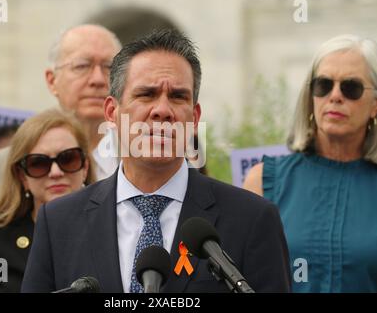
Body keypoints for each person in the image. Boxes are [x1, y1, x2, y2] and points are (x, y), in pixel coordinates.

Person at [21, 29, 291, 293]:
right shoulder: (59, 222)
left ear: (194, 118)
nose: (162, 111)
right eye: (146, 94)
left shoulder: (252, 219)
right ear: (112, 112)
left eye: (177, 96)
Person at [243, 34, 377, 292]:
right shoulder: (262, 182)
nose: (335, 96)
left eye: (351, 87)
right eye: (323, 85)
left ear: (374, 106)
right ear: (310, 96)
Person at [0, 24, 121, 225]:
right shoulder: (0, 166)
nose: (98, 79)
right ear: (52, 81)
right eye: (82, 66)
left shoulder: (141, 161)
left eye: (109, 67)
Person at [0, 108, 93, 292]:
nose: (55, 173)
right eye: (38, 163)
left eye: (68, 159)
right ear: (22, 176)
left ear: (85, 167)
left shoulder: (113, 227)